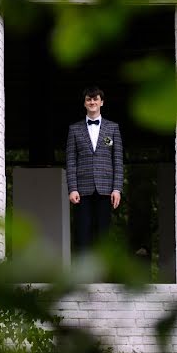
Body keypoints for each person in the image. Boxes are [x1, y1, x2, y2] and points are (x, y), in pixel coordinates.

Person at [65, 86, 124, 253]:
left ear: (101, 102)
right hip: (82, 190)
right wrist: (72, 188)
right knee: (82, 234)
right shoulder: (74, 129)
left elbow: (118, 160)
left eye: (95, 99)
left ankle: (103, 276)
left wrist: (117, 188)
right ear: (84, 103)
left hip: (106, 189)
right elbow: (71, 161)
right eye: (89, 99)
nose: (92, 102)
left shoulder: (113, 128)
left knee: (103, 235)